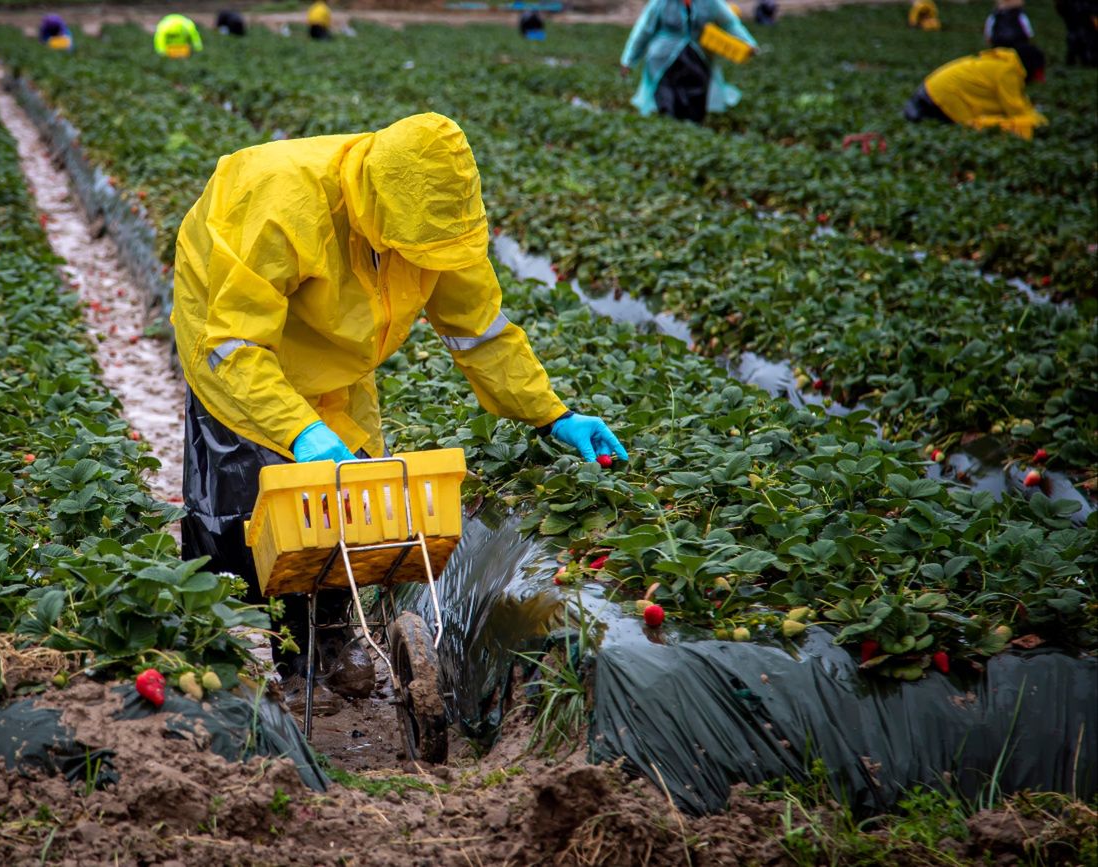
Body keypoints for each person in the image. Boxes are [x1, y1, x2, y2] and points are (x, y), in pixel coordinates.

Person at [170, 112, 628, 676]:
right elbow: (234, 347)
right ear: (379, 211)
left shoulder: (438, 229)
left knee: (345, 496)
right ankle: (206, 631)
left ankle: (325, 646)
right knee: (245, 498)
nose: (427, 261)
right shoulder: (281, 204)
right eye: (416, 247)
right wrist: (300, 431)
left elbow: (480, 332)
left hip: (336, 346)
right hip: (232, 329)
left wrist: (553, 415)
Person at [620, 0, 758, 122]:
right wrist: (628, 60)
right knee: (667, 97)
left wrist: (748, 42)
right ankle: (670, 127)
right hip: (664, 60)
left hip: (697, 57)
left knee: (695, 98)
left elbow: (730, 23)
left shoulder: (711, 2)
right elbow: (644, 30)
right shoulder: (661, 2)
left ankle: (691, 128)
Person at [903, 44, 1047, 139]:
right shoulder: (1008, 72)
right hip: (941, 98)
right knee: (969, 129)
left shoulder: (1001, 63)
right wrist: (1036, 120)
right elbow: (1015, 109)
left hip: (929, 92)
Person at [1055, 0, 1098, 66]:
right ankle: (1077, 59)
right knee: (1075, 37)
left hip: (1088, 18)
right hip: (1077, 19)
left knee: (1086, 38)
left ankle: (1088, 59)